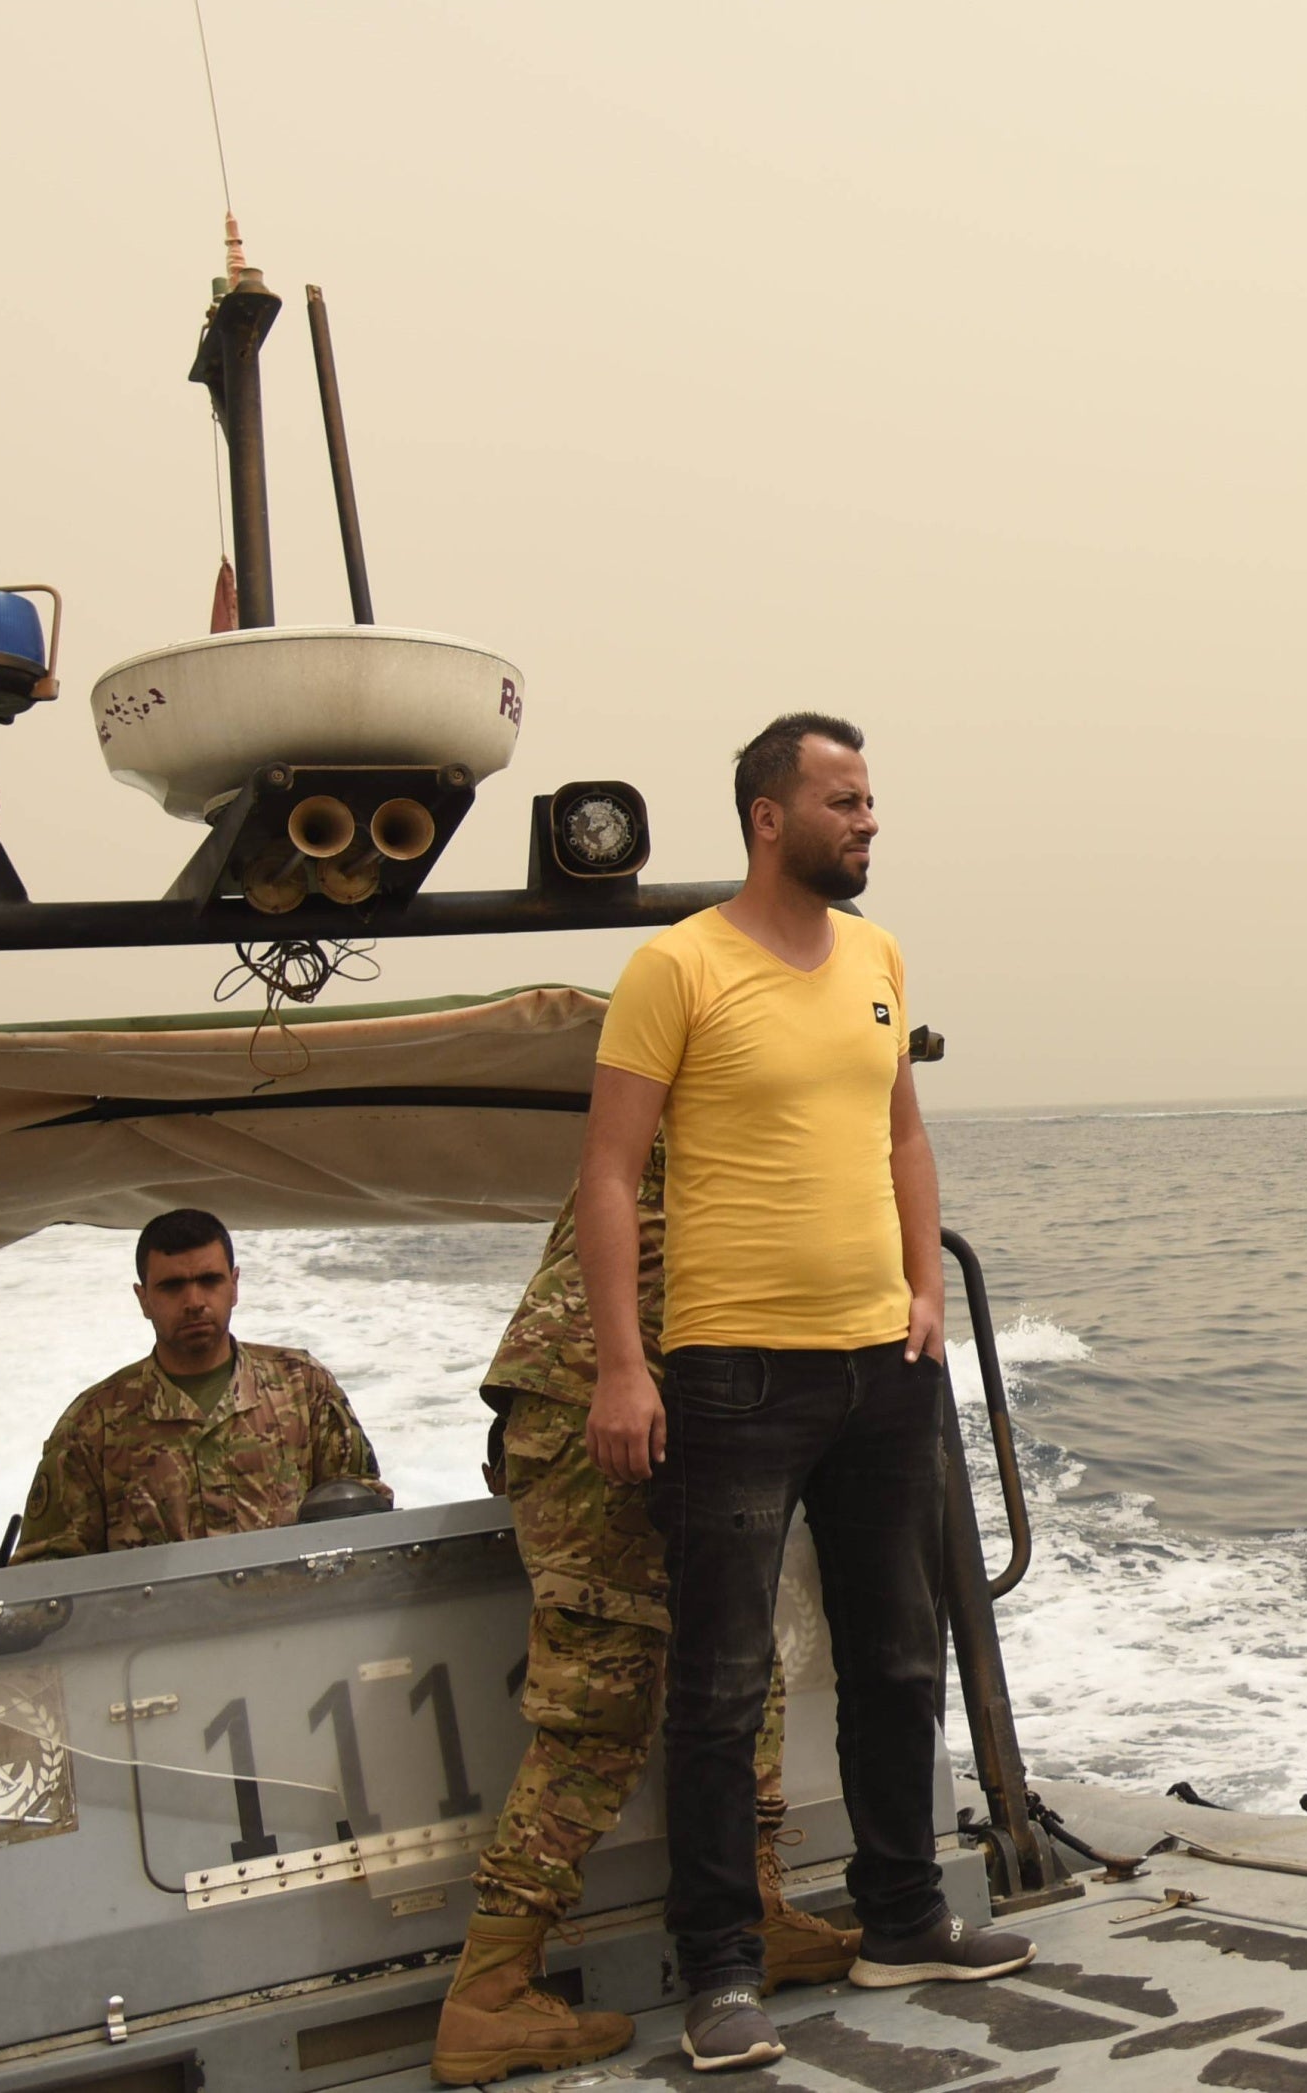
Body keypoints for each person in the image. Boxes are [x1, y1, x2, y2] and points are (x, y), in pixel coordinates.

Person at [580, 712, 1023, 2074]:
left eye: (871, 799)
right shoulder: (677, 966)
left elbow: (903, 1137)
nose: (869, 820)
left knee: (899, 1654)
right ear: (770, 817)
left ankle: (902, 1915)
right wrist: (623, 1364)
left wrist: (926, 1293)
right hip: (734, 1373)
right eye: (844, 800)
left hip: (885, 1366)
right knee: (722, 1683)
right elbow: (608, 1176)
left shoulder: (878, 958)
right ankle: (719, 1970)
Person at [429, 1144, 856, 2085]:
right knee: (601, 1705)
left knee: (742, 1656)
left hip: (665, 1391)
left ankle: (754, 1911)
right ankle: (489, 1990)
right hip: (606, 1402)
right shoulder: (723, 1096)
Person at [7, 1211, 379, 1563]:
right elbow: (46, 1573)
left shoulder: (303, 1387)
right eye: (172, 1287)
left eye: (209, 1281)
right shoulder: (94, 1424)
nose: (194, 1302)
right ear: (143, 1299)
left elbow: (366, 1515)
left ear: (234, 1286)